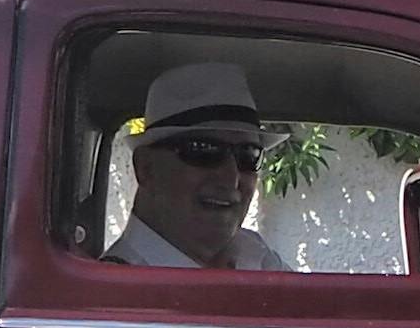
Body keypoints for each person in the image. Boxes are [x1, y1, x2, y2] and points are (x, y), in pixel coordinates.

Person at [107, 65, 292, 271]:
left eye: (248, 155)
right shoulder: (114, 284)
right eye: (203, 150)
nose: (231, 178)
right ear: (146, 168)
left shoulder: (255, 253)